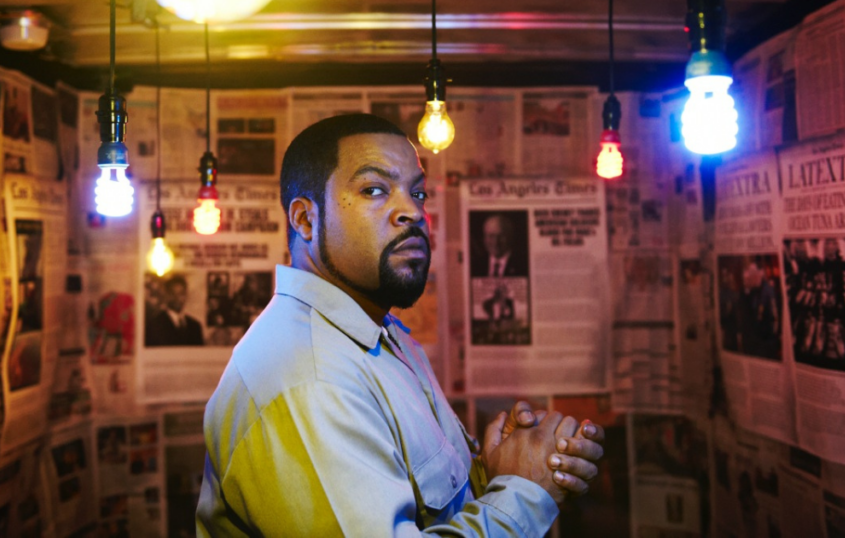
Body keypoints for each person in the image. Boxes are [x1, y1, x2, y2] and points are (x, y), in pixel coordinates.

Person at [197, 114, 605, 536]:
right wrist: (523, 491)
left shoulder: (380, 335)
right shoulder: (309, 377)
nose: (412, 211)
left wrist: (500, 469)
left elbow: (422, 504)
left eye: (418, 192)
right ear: (305, 220)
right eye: (374, 190)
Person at [145, 275, 204, 347]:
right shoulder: (155, 325)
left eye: (181, 294)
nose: (177, 298)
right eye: (173, 293)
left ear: (186, 295)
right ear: (167, 295)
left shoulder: (195, 327)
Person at [470, 213, 529, 277]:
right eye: (491, 236)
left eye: (501, 236)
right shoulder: (475, 266)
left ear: (510, 236)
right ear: (484, 238)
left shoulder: (524, 265)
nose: (495, 242)